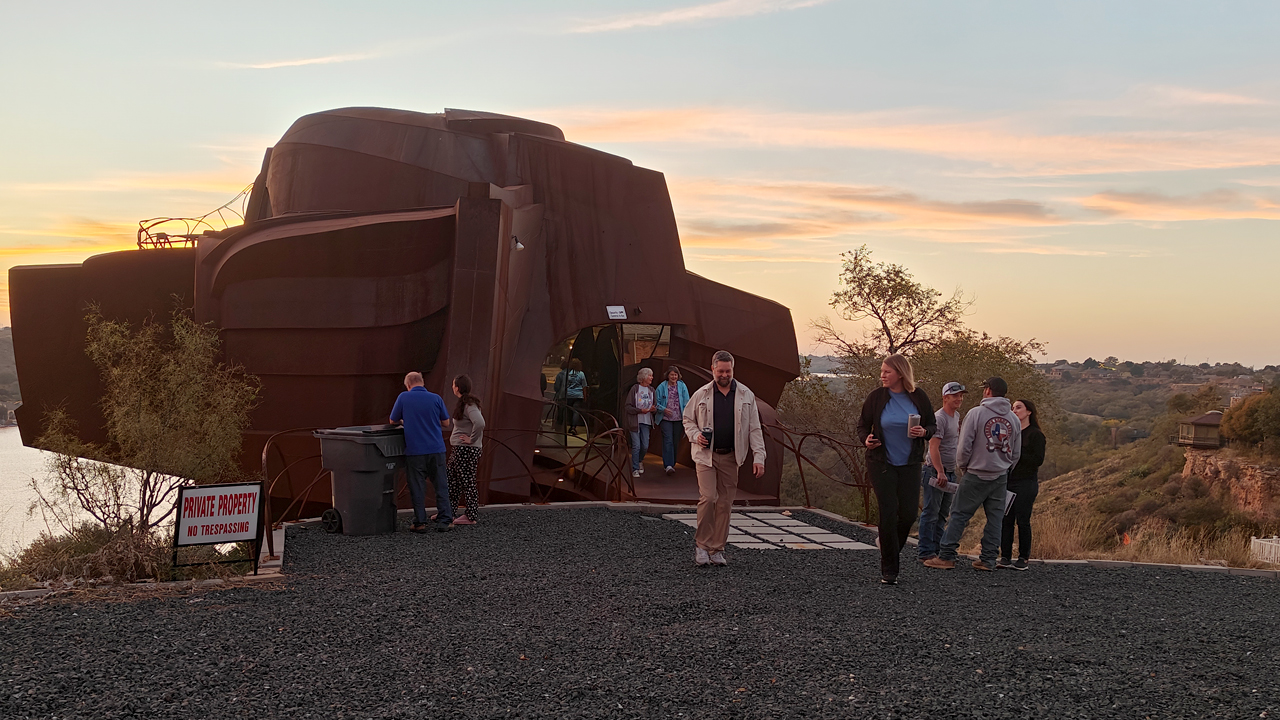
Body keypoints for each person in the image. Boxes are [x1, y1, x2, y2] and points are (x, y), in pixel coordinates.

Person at [926, 377, 1022, 571]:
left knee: (959, 514)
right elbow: (1016, 452)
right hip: (1000, 475)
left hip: (976, 472)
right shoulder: (1013, 419)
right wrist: (1005, 467)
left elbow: (964, 446)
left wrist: (963, 466)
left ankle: (946, 556)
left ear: (988, 391)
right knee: (995, 518)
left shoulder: (976, 413)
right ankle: (988, 559)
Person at [857, 354, 936, 585]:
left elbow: (932, 425)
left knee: (909, 514)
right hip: (881, 463)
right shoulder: (876, 397)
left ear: (900, 373)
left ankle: (888, 546)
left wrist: (924, 433)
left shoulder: (918, 397)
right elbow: (862, 425)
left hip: (910, 464)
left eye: (887, 372)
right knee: (888, 513)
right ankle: (889, 570)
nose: (882, 375)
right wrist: (866, 439)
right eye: (881, 371)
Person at [682, 350, 766, 567]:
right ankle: (701, 545)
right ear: (713, 369)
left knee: (725, 504)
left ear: (733, 370)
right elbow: (687, 419)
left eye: (728, 371)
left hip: (731, 457)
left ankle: (717, 549)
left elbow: (755, 429)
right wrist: (695, 435)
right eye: (720, 371)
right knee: (708, 498)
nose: (724, 375)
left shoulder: (746, 395)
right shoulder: (701, 394)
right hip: (705, 456)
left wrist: (759, 457)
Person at [389, 372, 453, 533]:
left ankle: (420, 522)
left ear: (408, 385)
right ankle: (445, 520)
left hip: (415, 450)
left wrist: (407, 420)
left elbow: (392, 420)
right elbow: (446, 422)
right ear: (422, 382)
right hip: (437, 449)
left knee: (417, 487)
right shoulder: (436, 398)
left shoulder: (403, 397)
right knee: (440, 485)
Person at [918, 382, 966, 563]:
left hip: (950, 471)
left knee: (942, 514)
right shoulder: (940, 418)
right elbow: (934, 447)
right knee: (930, 512)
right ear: (945, 397)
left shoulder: (956, 416)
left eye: (961, 396)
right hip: (935, 471)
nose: (959, 399)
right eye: (955, 396)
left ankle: (937, 549)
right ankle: (925, 551)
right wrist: (940, 471)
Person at [999, 398, 1045, 570]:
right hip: (1008, 481)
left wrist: (1015, 455)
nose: (1015, 410)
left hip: (1026, 482)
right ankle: (1005, 556)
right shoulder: (1011, 432)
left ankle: (1023, 557)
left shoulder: (1035, 434)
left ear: (1029, 411)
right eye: (1013, 408)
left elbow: (1038, 460)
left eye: (1018, 407)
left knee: (1023, 520)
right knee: (1006, 520)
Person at [447, 374, 485, 526]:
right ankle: (448, 511)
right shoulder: (466, 403)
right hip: (460, 449)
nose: (452, 387)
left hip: (466, 450)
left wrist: (472, 439)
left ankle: (471, 515)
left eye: (453, 384)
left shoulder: (469, 405)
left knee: (467, 480)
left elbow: (480, 423)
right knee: (452, 479)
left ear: (457, 387)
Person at [654, 366, 690, 475]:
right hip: (665, 418)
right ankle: (668, 465)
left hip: (678, 419)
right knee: (668, 440)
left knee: (675, 441)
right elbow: (656, 402)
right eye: (672, 374)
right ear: (668, 375)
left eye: (675, 375)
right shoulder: (661, 387)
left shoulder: (682, 386)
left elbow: (687, 401)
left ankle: (672, 463)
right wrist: (663, 409)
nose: (674, 377)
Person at [624, 367, 657, 478]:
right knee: (636, 446)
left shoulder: (652, 390)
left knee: (645, 446)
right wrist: (639, 411)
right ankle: (635, 468)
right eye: (650, 375)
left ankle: (640, 460)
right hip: (635, 422)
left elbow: (655, 406)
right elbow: (628, 407)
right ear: (643, 377)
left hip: (646, 422)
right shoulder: (635, 388)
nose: (652, 378)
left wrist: (653, 409)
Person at [562, 358, 587, 434]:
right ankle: (573, 427)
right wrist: (585, 396)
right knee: (576, 412)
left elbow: (564, 385)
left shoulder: (567, 374)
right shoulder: (581, 374)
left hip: (569, 395)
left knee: (569, 411)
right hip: (578, 395)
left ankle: (568, 425)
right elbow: (584, 386)